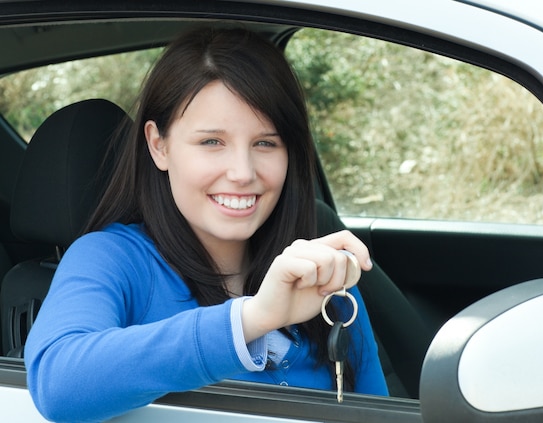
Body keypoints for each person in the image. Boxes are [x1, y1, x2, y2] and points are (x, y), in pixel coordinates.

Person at [24, 27, 388, 422]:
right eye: (212, 142)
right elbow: (57, 384)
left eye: (266, 143)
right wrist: (254, 318)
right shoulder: (110, 258)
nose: (242, 172)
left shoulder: (321, 273)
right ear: (158, 145)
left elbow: (378, 412)